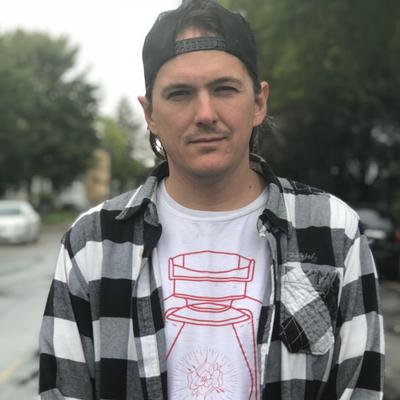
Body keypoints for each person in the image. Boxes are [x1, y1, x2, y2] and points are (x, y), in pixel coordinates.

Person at [38, 1, 384, 399]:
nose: (205, 113)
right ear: (150, 114)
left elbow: (361, 388)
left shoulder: (332, 233)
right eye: (180, 93)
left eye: (224, 89)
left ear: (259, 103)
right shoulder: (93, 244)